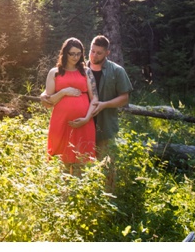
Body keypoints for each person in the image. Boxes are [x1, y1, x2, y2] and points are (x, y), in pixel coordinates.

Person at [42, 35, 132, 189]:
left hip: (98, 123)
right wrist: (57, 93)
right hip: (67, 123)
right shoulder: (65, 71)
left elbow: (119, 98)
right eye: (92, 51)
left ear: (107, 53)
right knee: (66, 163)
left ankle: (106, 198)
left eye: (99, 53)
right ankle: (68, 198)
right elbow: (50, 96)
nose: (94, 55)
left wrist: (93, 112)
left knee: (98, 164)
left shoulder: (109, 71)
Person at [45, 37, 98, 172]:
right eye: (72, 54)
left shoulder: (86, 72)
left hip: (83, 122)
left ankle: (80, 191)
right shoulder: (54, 72)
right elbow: (48, 100)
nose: (75, 57)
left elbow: (95, 99)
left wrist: (86, 118)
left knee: (82, 162)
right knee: (60, 160)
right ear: (65, 53)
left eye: (78, 54)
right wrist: (63, 92)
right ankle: (63, 190)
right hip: (61, 121)